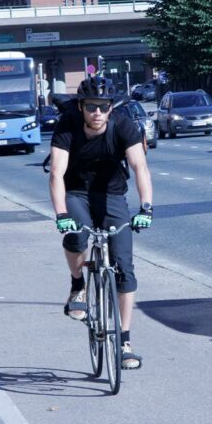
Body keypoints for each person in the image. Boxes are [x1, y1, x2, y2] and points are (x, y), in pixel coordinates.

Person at [49, 75, 153, 370]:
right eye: (91, 106)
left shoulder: (123, 125)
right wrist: (61, 215)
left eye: (103, 106)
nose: (97, 112)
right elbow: (56, 173)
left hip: (112, 192)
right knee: (77, 237)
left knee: (124, 266)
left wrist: (146, 207)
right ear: (81, 106)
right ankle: (77, 284)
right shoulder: (68, 125)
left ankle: (124, 341)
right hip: (77, 192)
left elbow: (139, 166)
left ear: (111, 108)